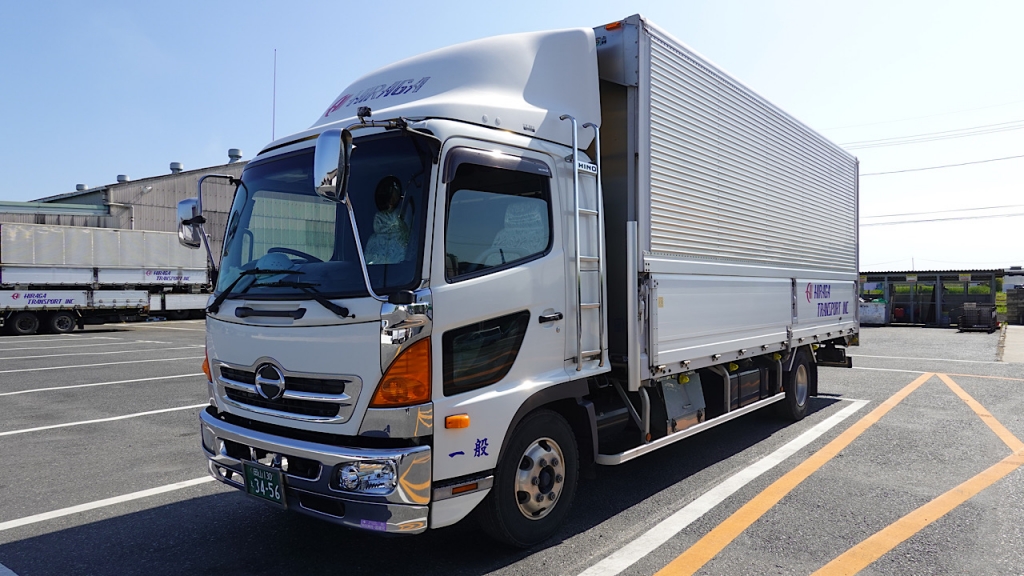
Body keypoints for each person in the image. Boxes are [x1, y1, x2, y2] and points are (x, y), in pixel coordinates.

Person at [365, 176, 410, 265]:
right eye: (389, 196)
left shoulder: (408, 237)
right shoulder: (373, 241)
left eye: (394, 195)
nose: (391, 201)